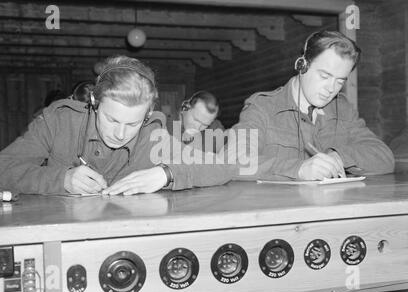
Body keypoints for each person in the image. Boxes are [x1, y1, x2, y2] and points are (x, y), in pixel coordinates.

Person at [0, 56, 233, 195]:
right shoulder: (60, 121)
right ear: (94, 101)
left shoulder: (154, 135)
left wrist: (167, 174)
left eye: (133, 123)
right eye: (111, 119)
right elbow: (4, 168)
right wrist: (61, 179)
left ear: (149, 113)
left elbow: (223, 167)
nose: (120, 134)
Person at [228, 30, 394, 181]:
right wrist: (298, 169)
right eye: (324, 76)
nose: (331, 89)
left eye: (340, 81)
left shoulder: (343, 110)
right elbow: (234, 162)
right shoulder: (261, 107)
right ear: (302, 65)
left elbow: (384, 158)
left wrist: (339, 157)